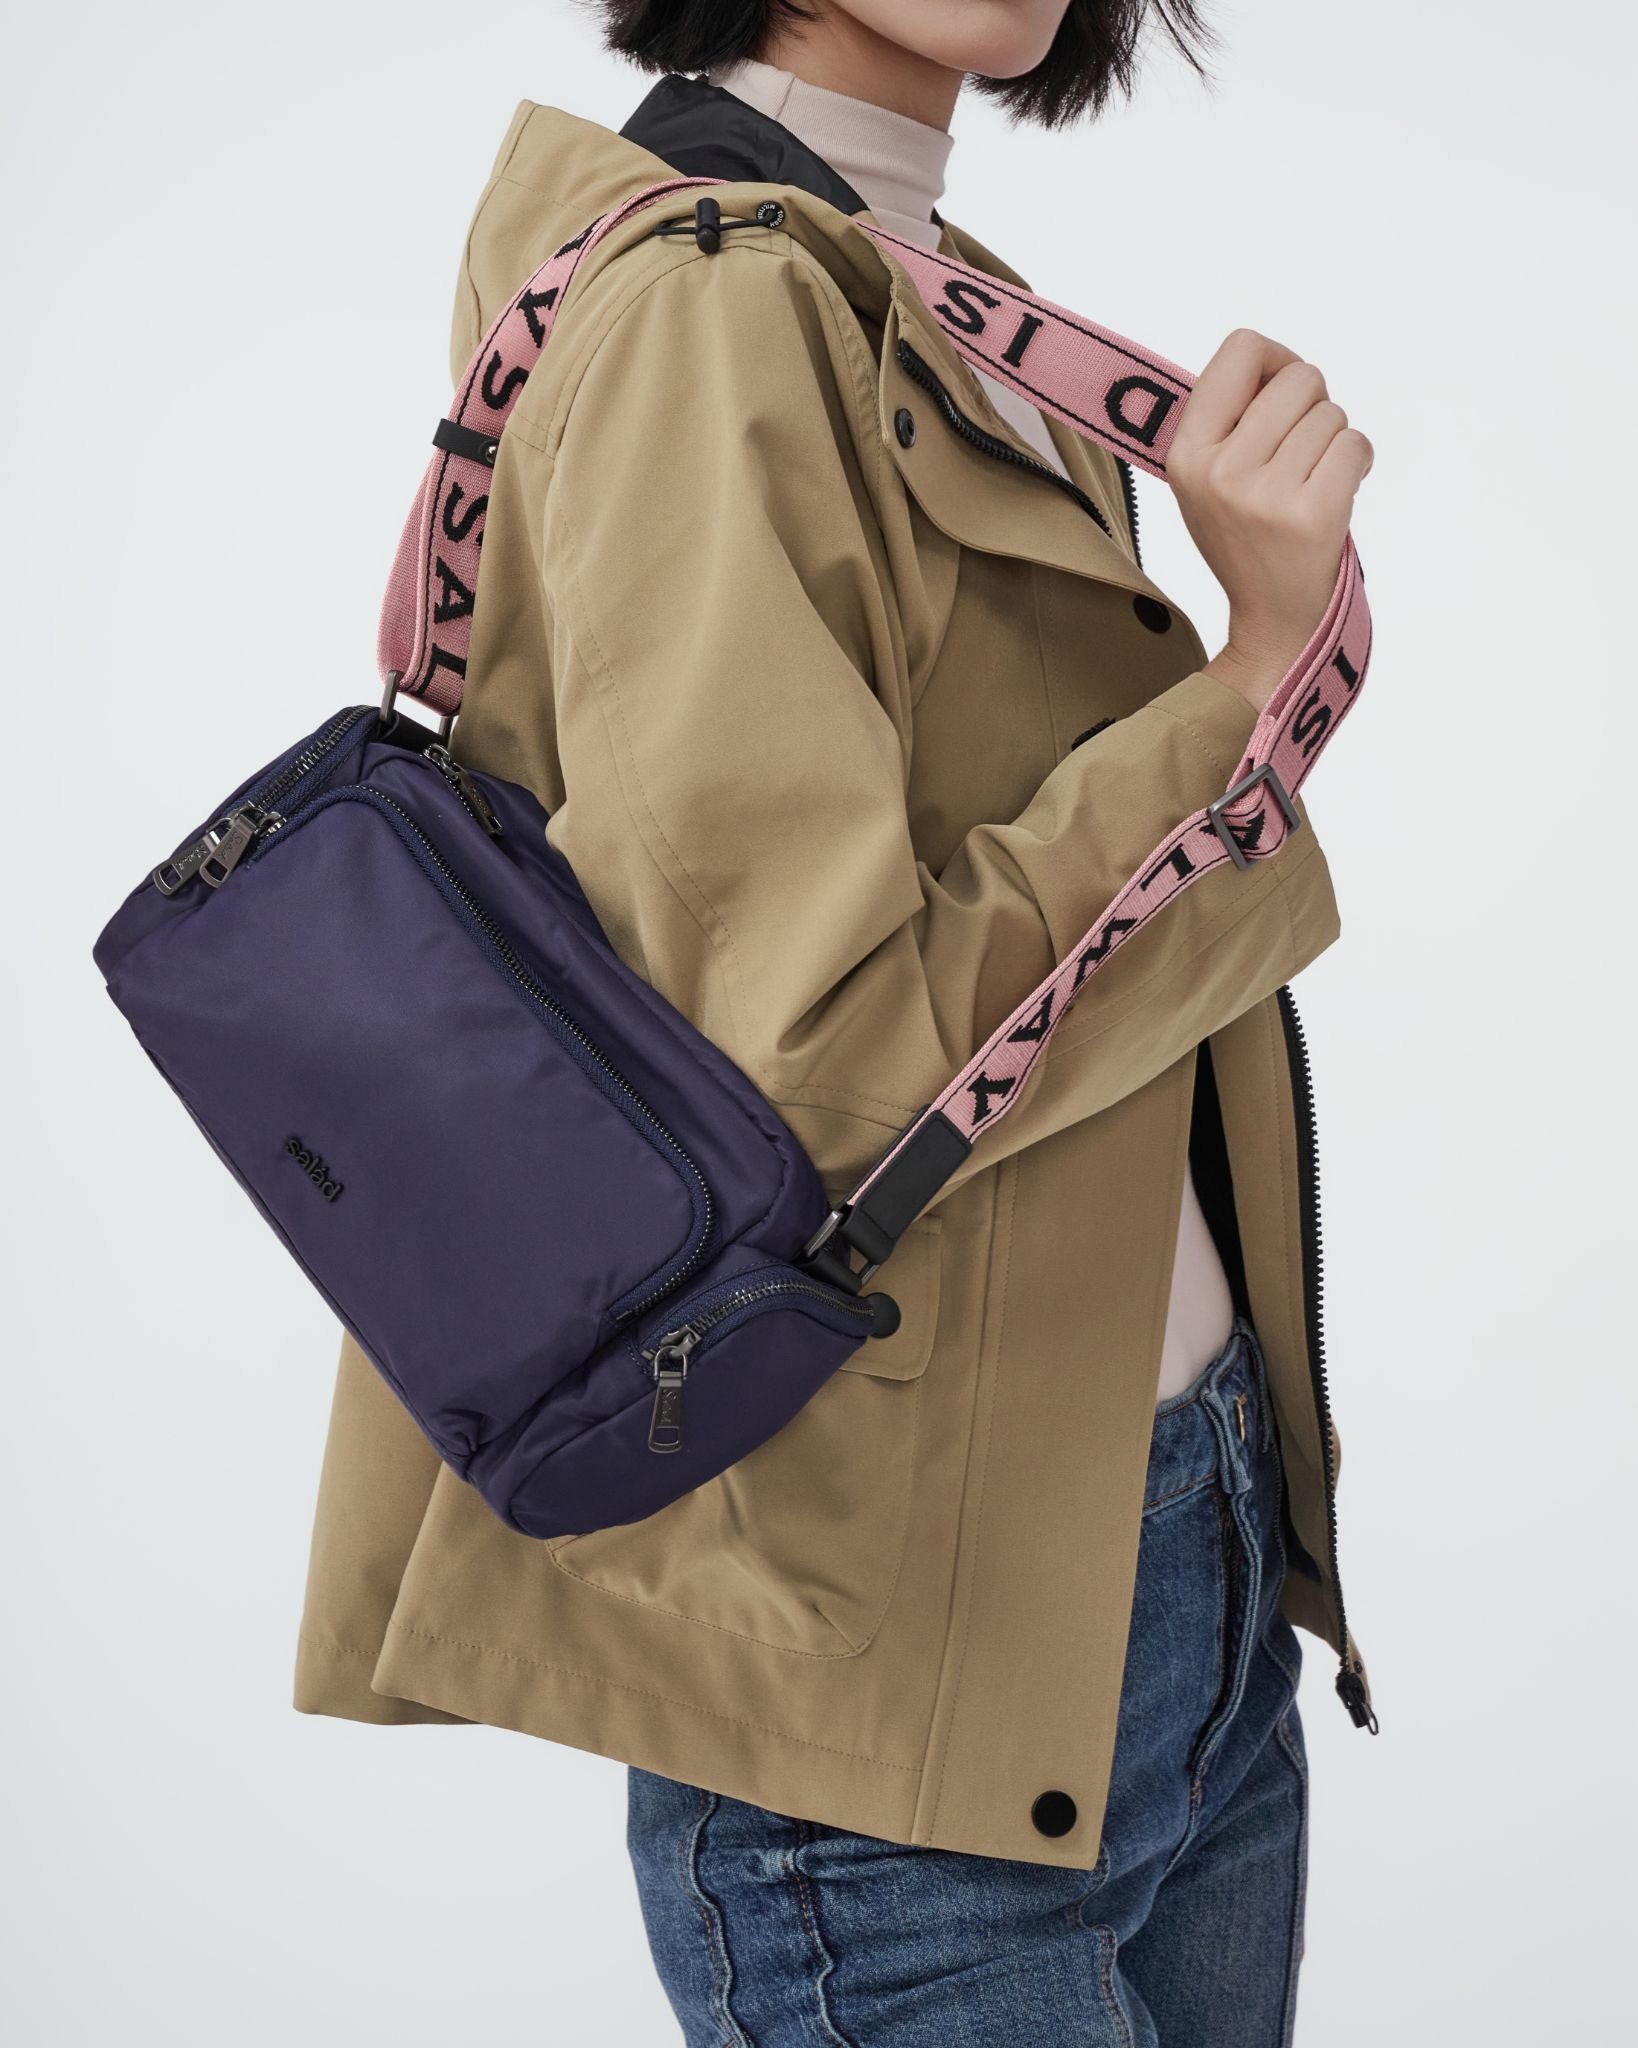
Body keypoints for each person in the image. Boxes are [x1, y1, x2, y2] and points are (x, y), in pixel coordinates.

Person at [294, 2, 1377, 2038]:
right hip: (899, 1663)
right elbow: (821, 1071)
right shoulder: (710, 312)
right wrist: (1242, 687)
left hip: (1168, 1548)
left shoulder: (922, 290)